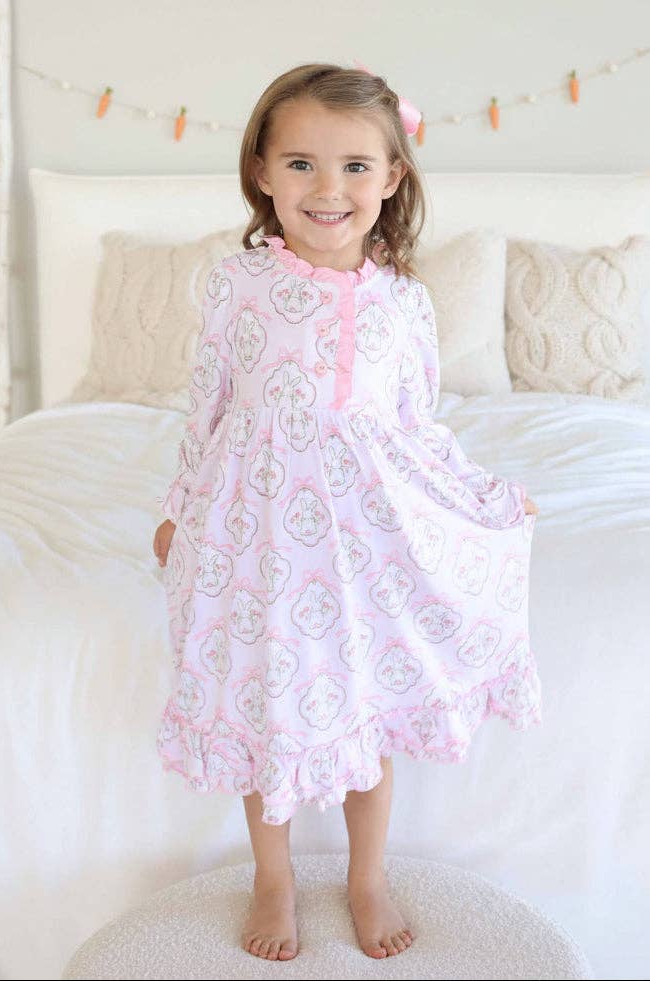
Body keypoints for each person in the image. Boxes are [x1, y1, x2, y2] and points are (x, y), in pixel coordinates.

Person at [152, 61, 542, 963]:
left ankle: (368, 876)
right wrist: (180, 505)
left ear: (393, 176)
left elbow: (417, 428)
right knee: (268, 703)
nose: (328, 189)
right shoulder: (236, 284)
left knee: (367, 704)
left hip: (364, 537)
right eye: (301, 164)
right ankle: (273, 876)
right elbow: (207, 407)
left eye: (355, 166)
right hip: (256, 535)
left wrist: (481, 497)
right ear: (261, 171)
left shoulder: (404, 302)